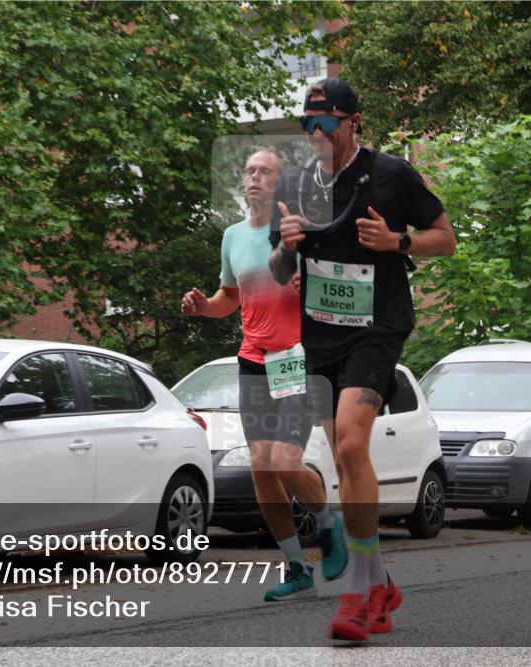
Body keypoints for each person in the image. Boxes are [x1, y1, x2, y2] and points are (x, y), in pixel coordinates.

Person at [268, 79, 456, 640]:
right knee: (345, 458)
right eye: (308, 123)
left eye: (326, 122)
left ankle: (354, 594)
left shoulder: (392, 174)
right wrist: (285, 247)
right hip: (320, 336)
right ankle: (380, 583)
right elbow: (279, 272)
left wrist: (398, 242)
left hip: (377, 329)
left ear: (352, 123)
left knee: (352, 444)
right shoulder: (296, 185)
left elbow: (445, 238)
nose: (316, 133)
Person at [181, 147, 348, 601]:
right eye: (249, 170)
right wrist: (204, 307)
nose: (254, 177)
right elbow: (229, 298)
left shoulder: (299, 231)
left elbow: (339, 287)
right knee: (261, 469)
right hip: (253, 360)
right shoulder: (233, 236)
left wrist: (313, 283)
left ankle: (330, 525)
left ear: (281, 182)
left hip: (297, 357)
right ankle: (297, 568)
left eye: (264, 171)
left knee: (284, 460)